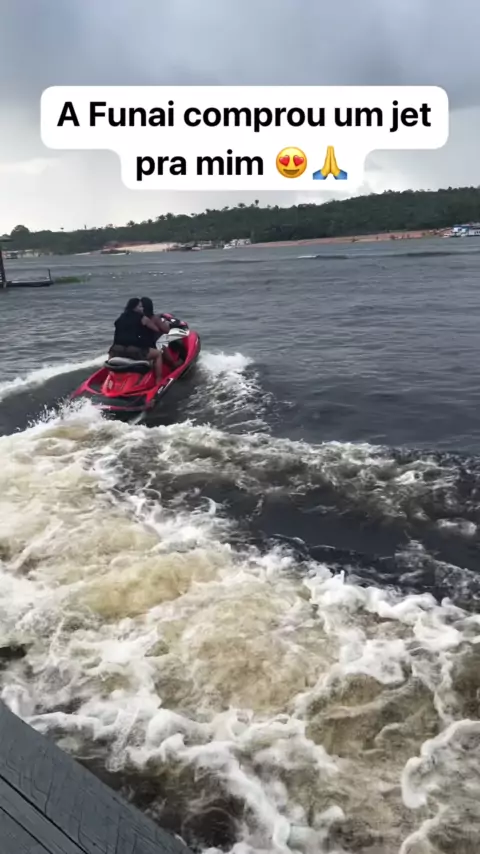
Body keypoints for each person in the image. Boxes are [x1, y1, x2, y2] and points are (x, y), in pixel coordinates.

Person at [108, 297, 164, 381]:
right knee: (158, 354)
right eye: (140, 307)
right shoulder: (143, 318)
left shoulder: (121, 317)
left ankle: (109, 378)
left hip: (116, 350)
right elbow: (156, 330)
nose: (142, 309)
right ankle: (159, 380)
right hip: (134, 351)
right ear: (134, 308)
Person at [140, 296, 183, 369]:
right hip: (153, 343)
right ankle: (173, 363)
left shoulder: (139, 319)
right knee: (163, 339)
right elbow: (166, 330)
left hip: (142, 342)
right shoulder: (154, 318)